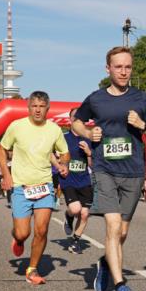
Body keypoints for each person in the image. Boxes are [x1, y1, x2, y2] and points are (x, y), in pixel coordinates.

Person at [72, 46, 146, 291]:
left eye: (128, 67)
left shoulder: (143, 100)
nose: (123, 71)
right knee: (112, 226)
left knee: (122, 232)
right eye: (118, 67)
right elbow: (76, 122)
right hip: (105, 170)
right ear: (108, 69)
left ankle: (105, 262)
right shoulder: (96, 99)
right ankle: (120, 286)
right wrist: (88, 134)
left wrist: (142, 125)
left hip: (133, 172)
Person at [0, 91, 69, 285]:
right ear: (28, 107)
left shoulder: (54, 129)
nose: (38, 110)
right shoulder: (17, 126)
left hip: (44, 186)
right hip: (21, 187)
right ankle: (18, 239)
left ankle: (32, 269)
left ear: (48, 108)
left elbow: (64, 152)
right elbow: (2, 148)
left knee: (42, 230)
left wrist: (64, 164)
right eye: (34, 106)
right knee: (23, 232)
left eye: (42, 106)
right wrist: (6, 174)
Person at [60, 108, 94, 254]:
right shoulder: (63, 138)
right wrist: (60, 163)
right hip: (68, 179)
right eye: (75, 117)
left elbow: (92, 165)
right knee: (75, 210)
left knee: (85, 213)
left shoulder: (89, 139)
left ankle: (75, 241)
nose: (77, 119)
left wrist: (89, 153)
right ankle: (68, 216)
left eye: (80, 117)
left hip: (84, 180)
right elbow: (53, 156)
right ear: (70, 119)